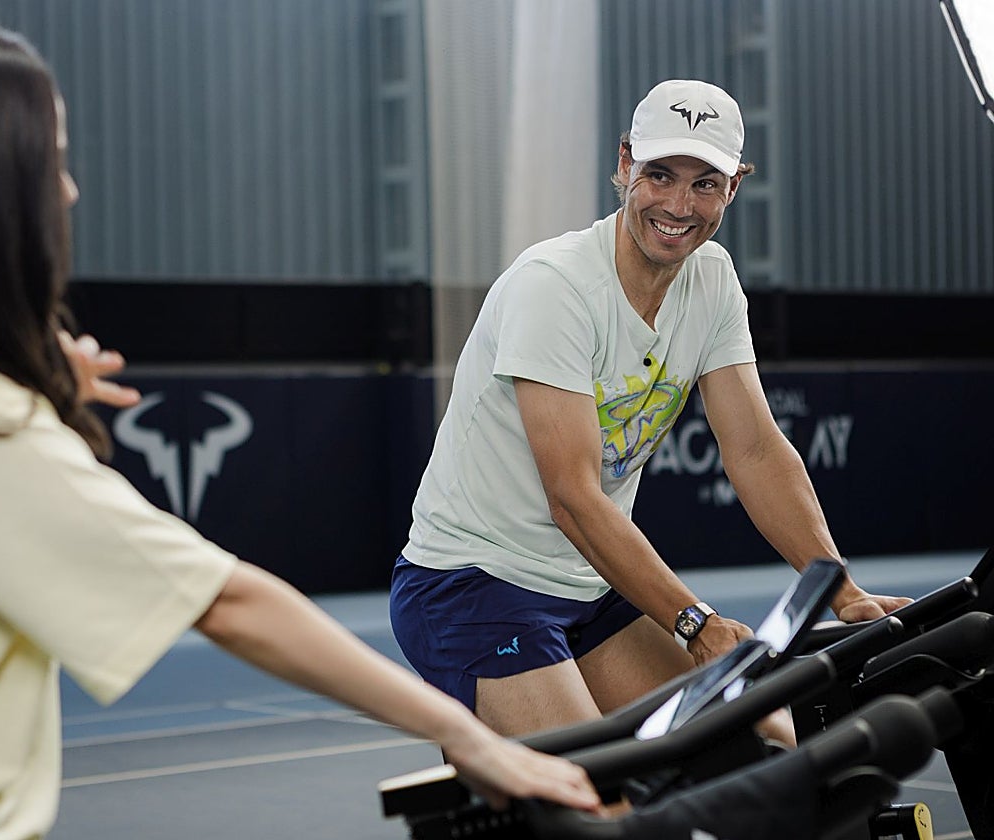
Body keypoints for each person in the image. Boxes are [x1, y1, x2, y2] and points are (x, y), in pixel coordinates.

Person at [0, 15, 605, 837]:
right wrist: (469, 736)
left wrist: (34, 393)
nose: (68, 191)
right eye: (50, 162)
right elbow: (229, 604)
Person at [389, 79, 911, 739]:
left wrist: (840, 589)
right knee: (601, 806)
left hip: (592, 585)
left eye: (704, 183)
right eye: (660, 174)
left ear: (734, 187)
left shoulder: (713, 280)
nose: (677, 204)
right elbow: (573, 497)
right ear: (625, 164)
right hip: (472, 585)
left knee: (768, 748)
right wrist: (693, 621)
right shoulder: (554, 286)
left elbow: (753, 449)